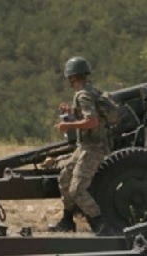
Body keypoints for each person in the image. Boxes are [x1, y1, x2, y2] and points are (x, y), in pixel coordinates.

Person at [47, 56, 111, 236]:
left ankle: (100, 224)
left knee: (77, 189)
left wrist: (68, 125)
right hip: (85, 146)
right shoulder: (88, 91)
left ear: (71, 76)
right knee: (65, 178)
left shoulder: (83, 94)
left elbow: (91, 122)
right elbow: (89, 118)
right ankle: (67, 220)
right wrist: (71, 113)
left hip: (93, 148)